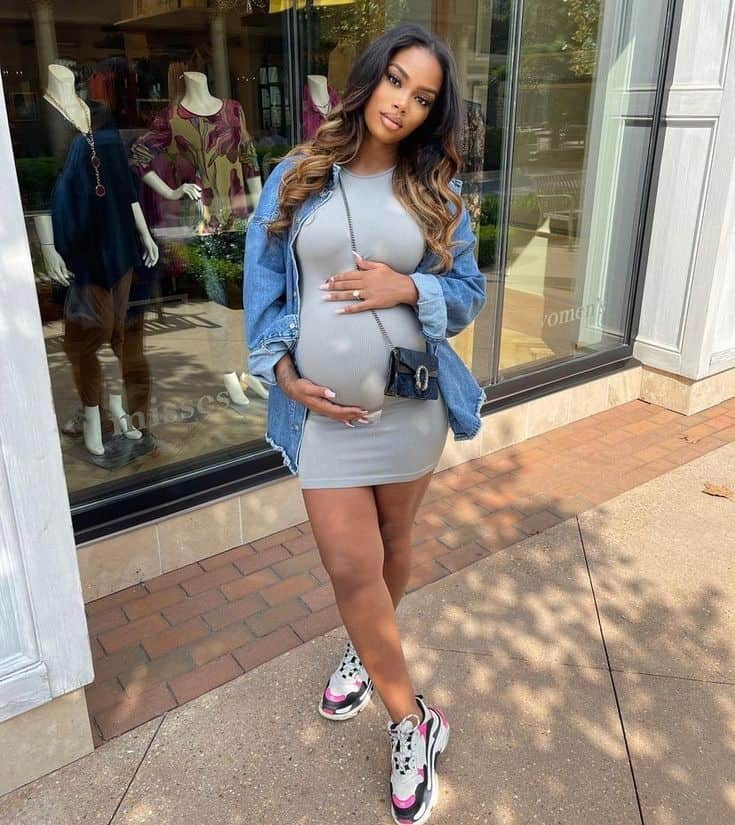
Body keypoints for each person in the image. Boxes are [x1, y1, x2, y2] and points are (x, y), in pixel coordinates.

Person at [243, 22, 487, 825]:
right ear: (371, 79)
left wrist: (409, 287)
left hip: (411, 409)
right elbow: (265, 289)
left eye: (423, 97)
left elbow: (468, 294)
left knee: (390, 543)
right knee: (352, 565)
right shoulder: (298, 176)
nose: (403, 103)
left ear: (431, 113)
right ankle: (412, 719)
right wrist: (282, 373)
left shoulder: (436, 193)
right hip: (323, 417)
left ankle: (364, 647)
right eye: (396, 81)